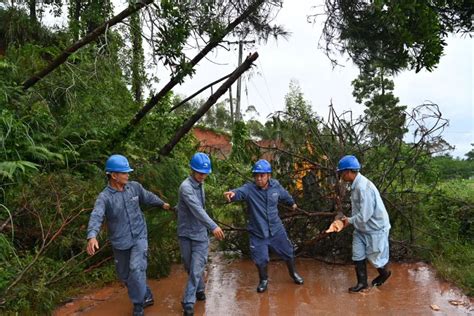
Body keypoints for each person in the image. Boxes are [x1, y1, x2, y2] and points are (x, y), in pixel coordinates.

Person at [86, 154, 170, 316]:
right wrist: (92, 235)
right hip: (120, 241)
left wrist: (162, 203)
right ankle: (145, 293)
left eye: (127, 172)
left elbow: (148, 196)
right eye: (124, 172)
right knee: (125, 275)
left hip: (139, 235)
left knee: (136, 268)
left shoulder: (135, 187)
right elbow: (96, 215)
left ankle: (138, 306)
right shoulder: (105, 197)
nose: (128, 175)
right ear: (113, 175)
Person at [223, 159, 304, 293]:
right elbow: (239, 192)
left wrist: (292, 203)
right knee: (261, 259)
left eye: (262, 175)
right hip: (258, 232)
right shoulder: (249, 189)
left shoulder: (275, 186)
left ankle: (293, 274)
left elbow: (284, 195)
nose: (259, 179)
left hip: (276, 230)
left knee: (288, 252)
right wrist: (232, 194)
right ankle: (263, 280)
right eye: (256, 176)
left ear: (269, 176)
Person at [177, 152, 225, 316]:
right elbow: (196, 209)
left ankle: (188, 303)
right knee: (189, 267)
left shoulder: (200, 184)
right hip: (185, 234)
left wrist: (208, 227)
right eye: (200, 173)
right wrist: (213, 226)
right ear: (192, 170)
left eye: (205, 173)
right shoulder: (186, 187)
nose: (203, 176)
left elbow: (199, 210)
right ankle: (200, 289)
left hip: (200, 235)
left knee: (197, 268)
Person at [336, 155, 392, 293]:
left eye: (341, 173)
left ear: (348, 172)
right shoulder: (355, 185)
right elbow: (359, 211)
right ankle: (362, 283)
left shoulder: (363, 188)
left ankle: (384, 273)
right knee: (357, 254)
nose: (340, 176)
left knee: (375, 258)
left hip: (375, 228)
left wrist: (348, 221)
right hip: (361, 228)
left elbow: (365, 215)